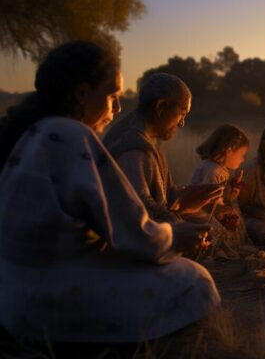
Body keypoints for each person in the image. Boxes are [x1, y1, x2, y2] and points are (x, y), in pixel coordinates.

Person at [0, 41, 220, 343]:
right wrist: (175, 235)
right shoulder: (74, 136)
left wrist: (180, 202)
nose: (117, 108)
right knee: (196, 282)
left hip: (15, 295)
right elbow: (130, 231)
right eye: (112, 96)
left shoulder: (36, 132)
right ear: (81, 93)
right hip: (50, 299)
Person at [103, 73, 223, 225]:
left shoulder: (146, 139)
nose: (182, 124)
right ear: (161, 106)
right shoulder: (133, 149)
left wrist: (186, 197)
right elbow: (139, 216)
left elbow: (165, 199)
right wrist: (180, 223)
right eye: (182, 114)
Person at [188, 124, 250, 256]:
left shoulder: (217, 168)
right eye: (242, 154)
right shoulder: (213, 171)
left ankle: (223, 248)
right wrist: (225, 210)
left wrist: (231, 196)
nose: (243, 159)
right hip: (203, 215)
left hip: (208, 212)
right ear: (229, 150)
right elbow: (207, 202)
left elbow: (221, 198)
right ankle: (218, 250)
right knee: (225, 225)